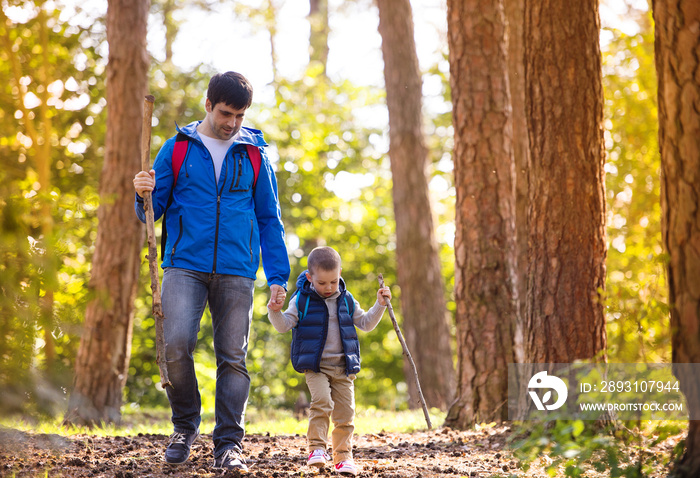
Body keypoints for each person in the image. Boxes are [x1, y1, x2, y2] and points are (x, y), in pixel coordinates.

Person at [133, 71, 290, 471]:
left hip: (238, 269)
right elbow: (152, 211)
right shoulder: (178, 148)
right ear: (208, 104)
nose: (232, 123)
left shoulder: (255, 154)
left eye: (239, 115)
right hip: (184, 264)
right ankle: (185, 426)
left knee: (232, 357)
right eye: (225, 112)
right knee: (176, 345)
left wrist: (277, 277)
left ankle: (228, 444)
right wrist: (142, 194)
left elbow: (270, 218)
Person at [266, 246, 391, 476]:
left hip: (344, 367)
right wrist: (274, 311)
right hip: (316, 366)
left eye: (333, 282)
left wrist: (379, 305)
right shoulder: (301, 299)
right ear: (310, 277)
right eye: (322, 283)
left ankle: (343, 458)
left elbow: (365, 323)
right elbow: (283, 325)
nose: (328, 288)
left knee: (345, 414)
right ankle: (316, 449)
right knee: (322, 401)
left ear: (340, 273)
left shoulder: (346, 299)